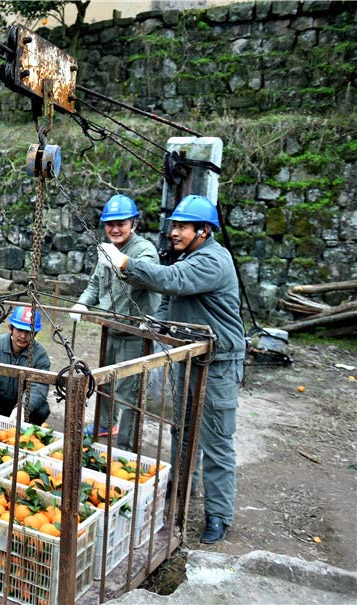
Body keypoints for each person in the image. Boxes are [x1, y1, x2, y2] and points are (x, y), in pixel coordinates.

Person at [97, 194, 246, 545]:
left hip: (218, 363)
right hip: (188, 357)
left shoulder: (211, 261)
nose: (174, 233)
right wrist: (151, 326)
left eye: (181, 227)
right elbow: (168, 302)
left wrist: (124, 263)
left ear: (204, 231)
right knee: (181, 430)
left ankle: (219, 515)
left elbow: (172, 281)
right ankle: (180, 490)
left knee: (215, 439)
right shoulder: (189, 256)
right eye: (173, 226)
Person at [70, 194, 160, 449]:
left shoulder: (143, 250)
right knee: (104, 381)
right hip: (110, 328)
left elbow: (148, 277)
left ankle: (126, 445)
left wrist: (121, 263)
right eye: (110, 224)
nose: (115, 229)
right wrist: (82, 303)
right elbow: (95, 284)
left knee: (129, 390)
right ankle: (104, 423)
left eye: (121, 223)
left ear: (134, 224)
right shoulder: (105, 249)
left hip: (135, 332)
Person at [0, 306, 51, 425]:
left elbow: (39, 387)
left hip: (22, 402)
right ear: (10, 328)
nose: (23, 336)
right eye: (19, 330)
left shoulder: (40, 355)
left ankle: (23, 434)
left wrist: (22, 408)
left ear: (35, 334)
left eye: (28, 332)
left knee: (42, 410)